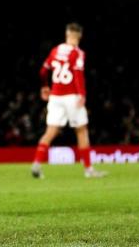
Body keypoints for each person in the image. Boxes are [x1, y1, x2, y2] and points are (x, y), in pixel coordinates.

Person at [32, 23, 101, 179]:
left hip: (55, 96)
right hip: (72, 96)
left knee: (50, 132)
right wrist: (82, 94)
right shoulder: (77, 53)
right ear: (79, 36)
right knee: (81, 130)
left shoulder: (55, 50)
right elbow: (77, 74)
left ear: (67, 34)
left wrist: (44, 86)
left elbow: (43, 71)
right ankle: (89, 169)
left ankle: (37, 163)